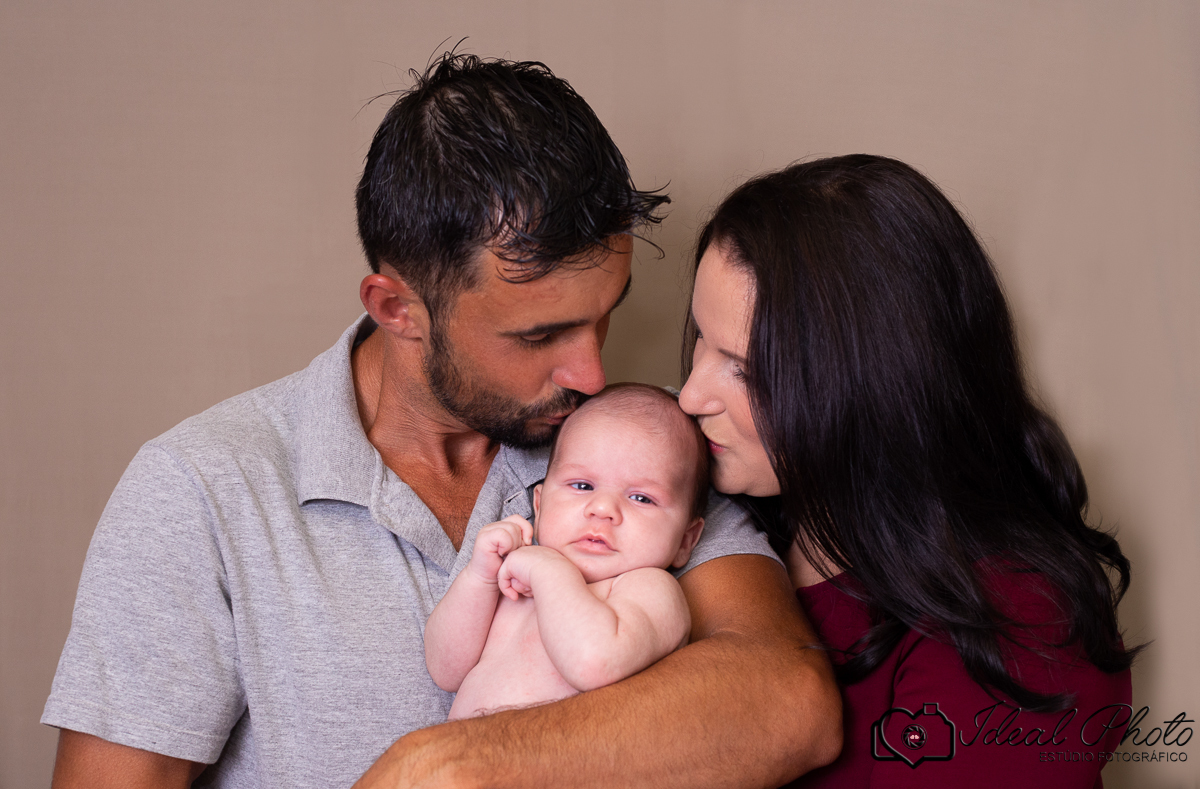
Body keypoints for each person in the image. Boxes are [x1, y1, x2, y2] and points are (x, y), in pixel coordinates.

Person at [43, 53, 841, 788]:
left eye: (604, 317)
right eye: (538, 335)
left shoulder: (633, 454)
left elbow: (790, 703)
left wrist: (464, 759)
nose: (592, 373)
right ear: (398, 309)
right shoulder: (201, 491)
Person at [679, 154, 1137, 788]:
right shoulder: (694, 520)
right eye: (702, 338)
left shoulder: (1019, 634)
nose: (690, 396)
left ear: (874, 387)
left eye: (747, 369)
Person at [427, 383, 708, 720]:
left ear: (685, 541)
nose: (603, 508)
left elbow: (594, 662)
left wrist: (549, 571)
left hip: (557, 768)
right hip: (461, 763)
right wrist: (479, 577)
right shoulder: (516, 578)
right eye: (582, 486)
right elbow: (445, 670)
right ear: (540, 506)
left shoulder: (648, 589)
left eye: (641, 498)